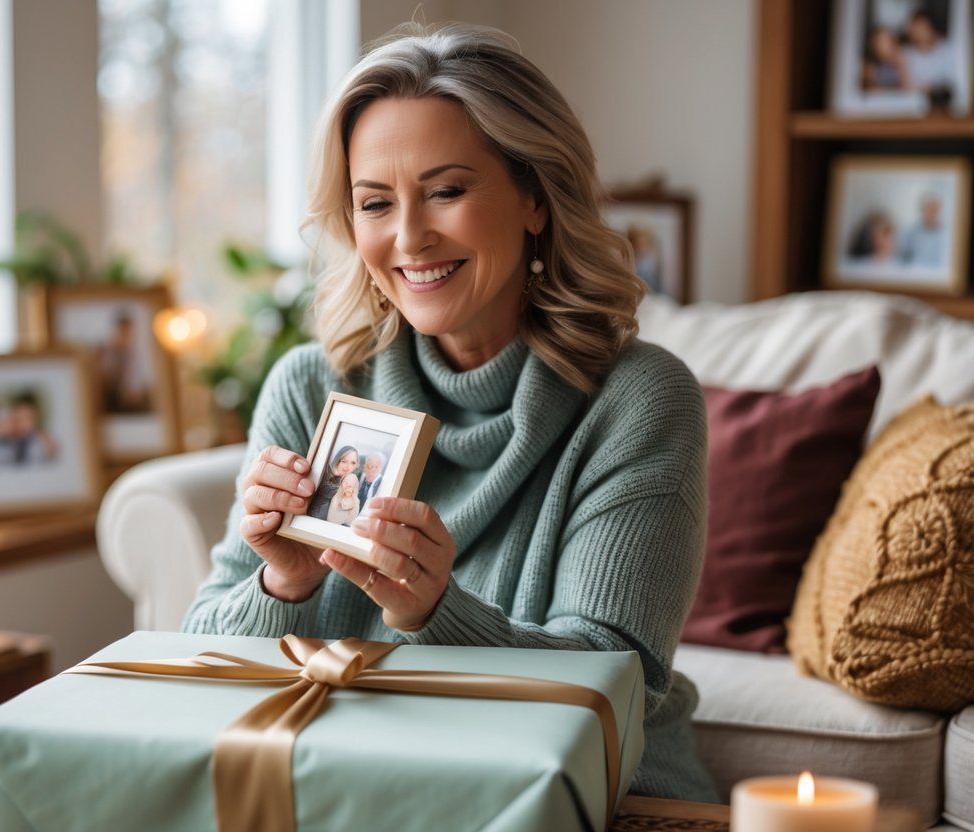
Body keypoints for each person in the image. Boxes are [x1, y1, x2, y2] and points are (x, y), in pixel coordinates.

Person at [183, 23, 715, 801]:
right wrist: (283, 583)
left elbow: (615, 685)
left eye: (447, 190)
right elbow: (196, 660)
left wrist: (437, 611)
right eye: (374, 203)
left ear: (535, 197)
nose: (408, 237)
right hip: (351, 790)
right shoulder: (308, 387)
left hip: (591, 799)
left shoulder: (639, 400)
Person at [95, 311, 150, 414]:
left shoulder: (132, 354)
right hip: (108, 401)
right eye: (123, 333)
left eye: (129, 333)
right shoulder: (105, 352)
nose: (127, 338)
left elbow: (136, 386)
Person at [902, 10, 956, 107]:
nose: (917, 33)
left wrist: (934, 89)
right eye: (915, 28)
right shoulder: (906, 54)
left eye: (922, 28)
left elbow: (954, 83)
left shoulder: (948, 49)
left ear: (932, 28)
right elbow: (905, 86)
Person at [305, 445, 359, 521]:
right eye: (344, 461)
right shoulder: (325, 472)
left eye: (353, 463)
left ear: (356, 465)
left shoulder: (351, 484)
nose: (348, 467)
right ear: (338, 461)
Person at [899, 193, 945, 267]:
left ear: (938, 210)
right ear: (922, 210)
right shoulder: (911, 232)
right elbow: (903, 256)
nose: (930, 213)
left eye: (933, 209)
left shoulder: (946, 234)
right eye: (927, 209)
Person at [862, 25, 907, 91]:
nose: (883, 46)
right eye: (880, 42)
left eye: (886, 41)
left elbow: (905, 87)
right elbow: (870, 89)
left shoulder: (900, 60)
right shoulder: (870, 65)